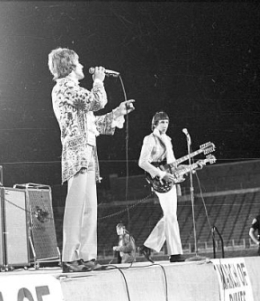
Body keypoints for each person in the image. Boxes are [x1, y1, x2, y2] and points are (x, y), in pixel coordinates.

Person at [48, 47, 135, 273]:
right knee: (77, 205)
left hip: (87, 151)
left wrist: (117, 113)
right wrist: (98, 80)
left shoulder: (73, 89)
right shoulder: (65, 87)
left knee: (89, 207)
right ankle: (69, 257)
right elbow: (96, 101)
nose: (82, 66)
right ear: (68, 65)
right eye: (78, 62)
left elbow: (92, 123)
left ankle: (87, 257)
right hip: (77, 153)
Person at [138, 111, 184, 263]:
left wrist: (190, 167)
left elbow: (172, 163)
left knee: (169, 215)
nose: (165, 125)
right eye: (162, 122)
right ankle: (175, 253)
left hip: (168, 179)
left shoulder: (168, 140)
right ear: (155, 123)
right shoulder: (150, 139)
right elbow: (142, 162)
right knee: (171, 216)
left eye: (167, 122)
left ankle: (148, 246)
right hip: (158, 179)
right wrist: (161, 174)